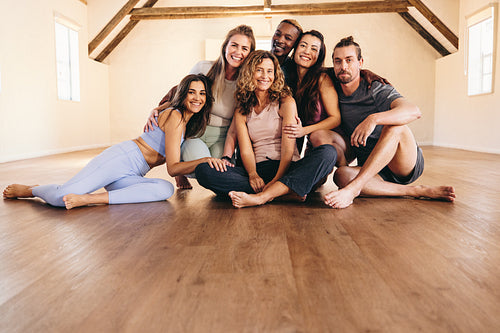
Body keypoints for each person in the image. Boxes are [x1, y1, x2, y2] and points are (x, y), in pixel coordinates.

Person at [3, 75, 228, 210]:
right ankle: (31, 190)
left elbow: (171, 166)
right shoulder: (176, 116)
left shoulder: (184, 120)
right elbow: (172, 167)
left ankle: (90, 199)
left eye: (202, 94)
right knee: (62, 199)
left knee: (164, 189)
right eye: (191, 92)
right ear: (183, 94)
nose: (197, 98)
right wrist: (205, 160)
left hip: (133, 173)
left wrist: (157, 108)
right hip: (121, 159)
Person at [323, 36, 456, 209]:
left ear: (360, 62)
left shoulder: (375, 88)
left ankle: (354, 189)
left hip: (401, 162)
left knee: (395, 128)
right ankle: (415, 191)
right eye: (338, 61)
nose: (344, 66)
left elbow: (414, 111)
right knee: (341, 175)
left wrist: (373, 119)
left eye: (349, 60)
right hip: (372, 167)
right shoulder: (332, 87)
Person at [195, 50, 337, 208]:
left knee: (328, 153)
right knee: (203, 171)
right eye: (259, 70)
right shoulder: (241, 108)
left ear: (275, 74)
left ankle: (262, 197)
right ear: (250, 73)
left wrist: (276, 180)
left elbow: (288, 150)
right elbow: (246, 149)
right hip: (258, 169)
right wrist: (253, 175)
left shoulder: (286, 102)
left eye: (270, 71)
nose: (265, 76)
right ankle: (285, 193)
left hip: (288, 168)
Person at [145, 25, 256, 189]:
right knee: (203, 169)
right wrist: (158, 109)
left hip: (224, 138)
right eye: (234, 45)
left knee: (218, 172)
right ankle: (181, 171)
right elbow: (182, 94)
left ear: (250, 54)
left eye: (244, 48)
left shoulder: (247, 82)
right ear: (225, 46)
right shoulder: (204, 67)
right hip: (196, 132)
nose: (238, 52)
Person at [280, 30, 345, 162]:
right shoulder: (288, 77)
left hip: (334, 139)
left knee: (318, 136)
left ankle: (346, 172)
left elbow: (336, 118)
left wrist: (304, 131)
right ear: (295, 48)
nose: (307, 51)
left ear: (319, 55)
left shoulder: (322, 78)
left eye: (314, 49)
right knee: (315, 181)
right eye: (303, 45)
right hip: (313, 141)